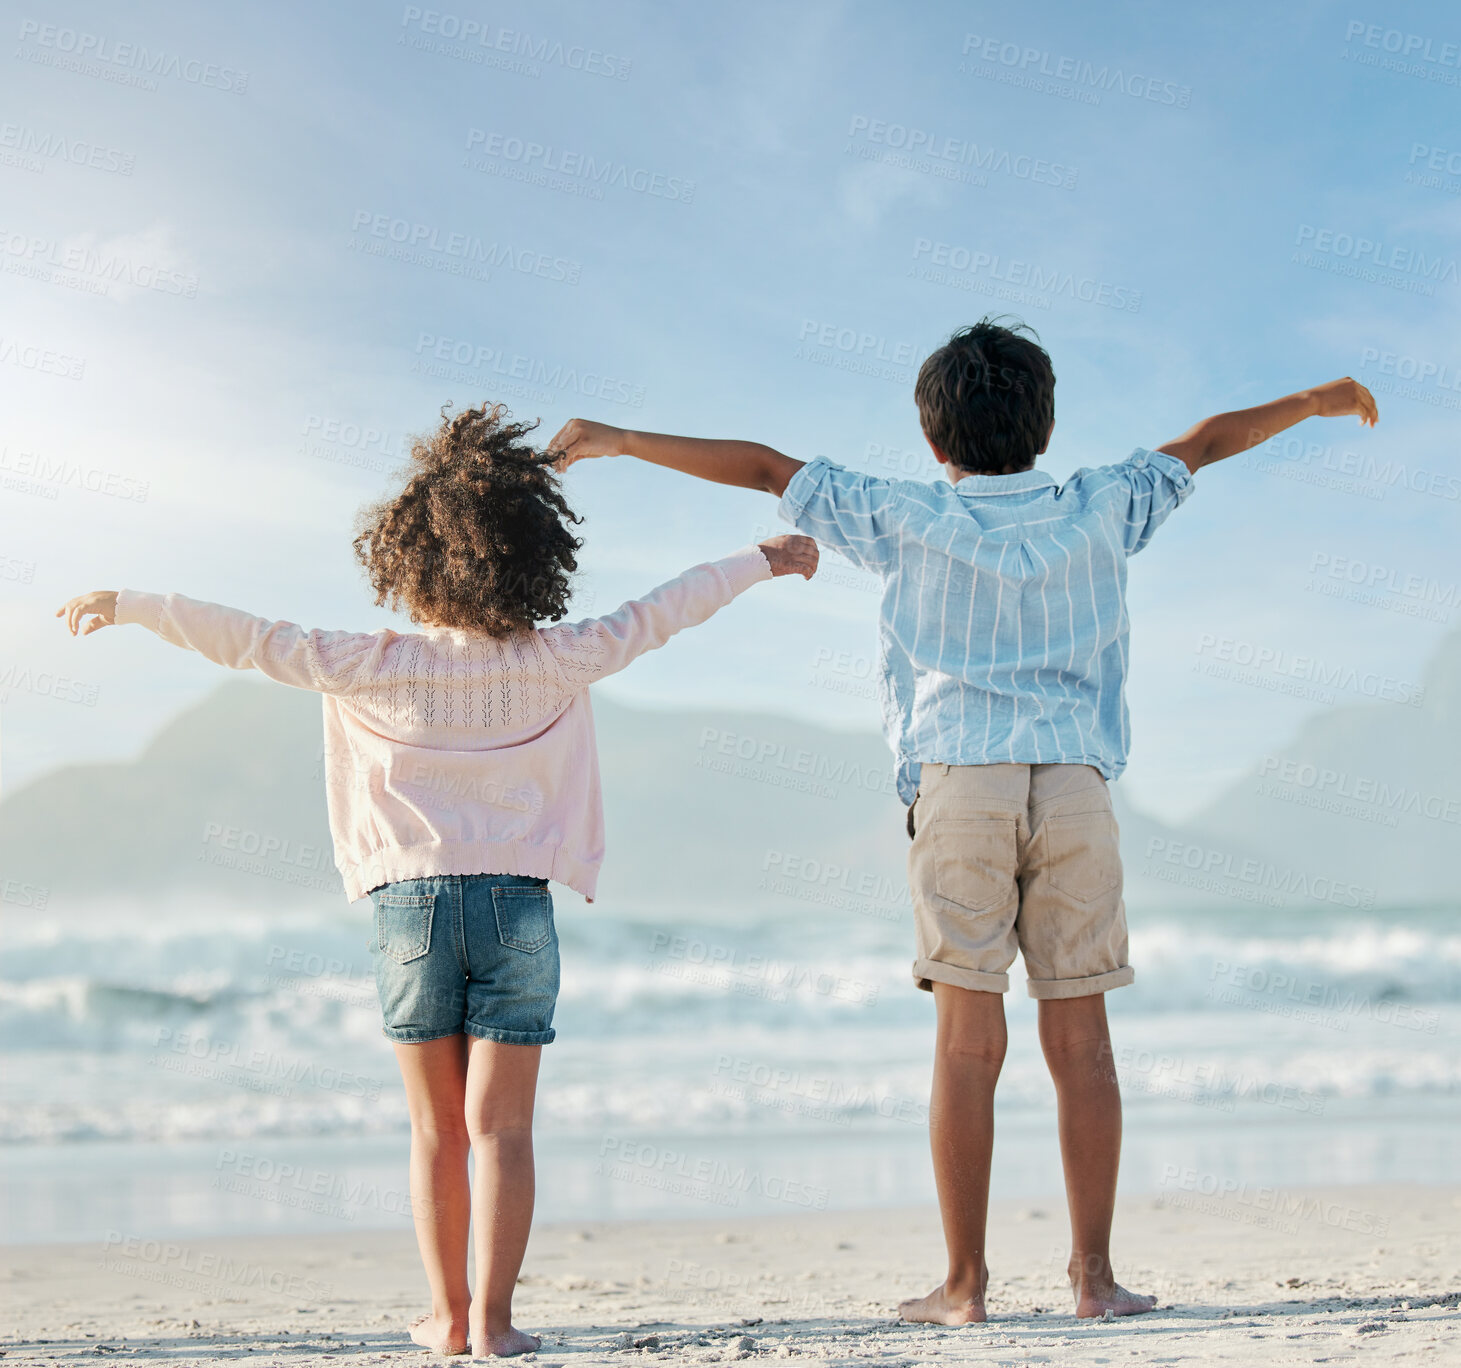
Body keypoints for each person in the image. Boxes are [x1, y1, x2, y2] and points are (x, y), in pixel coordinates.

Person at [547, 320, 1378, 1323]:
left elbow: (766, 465)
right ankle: (1094, 1278)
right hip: (1074, 786)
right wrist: (1312, 401)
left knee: (965, 1041)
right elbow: (1204, 441)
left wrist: (622, 438)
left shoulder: (900, 513)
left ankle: (965, 1284)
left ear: (934, 439)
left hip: (959, 787)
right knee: (1082, 1040)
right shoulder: (1104, 501)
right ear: (1048, 423)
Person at [57, 402, 819, 1357]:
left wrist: (132, 603)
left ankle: (448, 1319)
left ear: (408, 557)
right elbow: (662, 610)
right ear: (531, 556)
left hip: (409, 909)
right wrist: (761, 560)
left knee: (435, 1132)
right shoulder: (559, 657)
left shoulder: (365, 664)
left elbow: (246, 636)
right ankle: (498, 1323)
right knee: (502, 1129)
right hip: (518, 908)